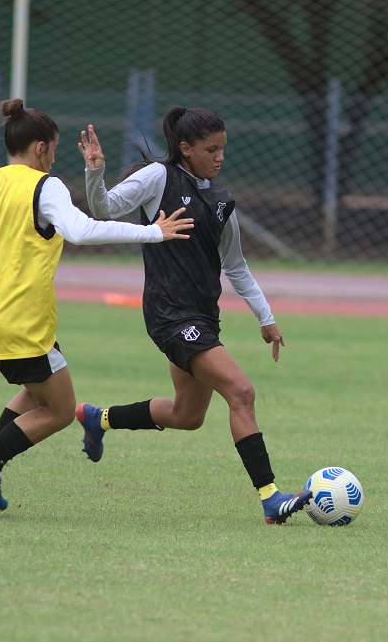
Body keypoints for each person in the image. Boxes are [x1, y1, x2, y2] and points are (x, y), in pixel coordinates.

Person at [0, 98, 193, 518]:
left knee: (37, 389)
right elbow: (80, 230)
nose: (54, 158)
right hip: (20, 318)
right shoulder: (47, 185)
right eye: (54, 149)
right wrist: (152, 232)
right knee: (59, 410)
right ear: (41, 148)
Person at [75, 106, 311, 524]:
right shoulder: (159, 178)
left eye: (223, 149)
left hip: (202, 317)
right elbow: (105, 209)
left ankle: (98, 418)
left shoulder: (221, 202)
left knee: (187, 416)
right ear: (185, 148)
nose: (220, 157)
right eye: (210, 149)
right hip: (169, 315)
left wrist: (266, 317)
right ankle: (271, 497)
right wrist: (96, 171)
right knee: (242, 392)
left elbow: (235, 266)